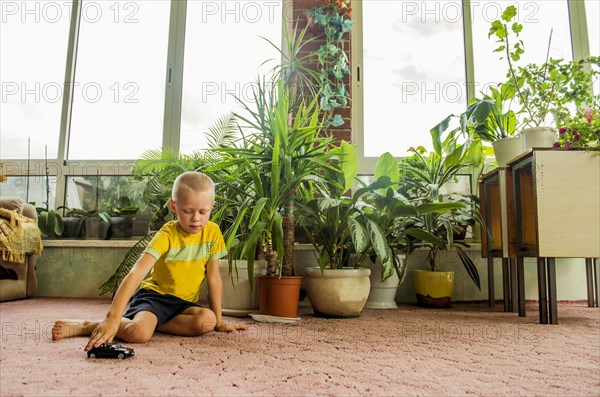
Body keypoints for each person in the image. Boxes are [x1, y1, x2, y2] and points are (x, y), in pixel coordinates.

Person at [52, 171, 245, 351]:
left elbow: (213, 278)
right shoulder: (167, 234)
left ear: (212, 205)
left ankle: (153, 323)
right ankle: (88, 326)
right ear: (174, 206)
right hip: (155, 298)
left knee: (207, 322)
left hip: (184, 305)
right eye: (188, 211)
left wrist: (219, 322)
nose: (196, 219)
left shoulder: (213, 232)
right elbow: (137, 272)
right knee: (139, 334)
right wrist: (112, 318)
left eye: (203, 212)